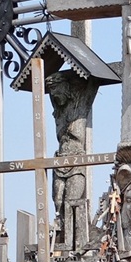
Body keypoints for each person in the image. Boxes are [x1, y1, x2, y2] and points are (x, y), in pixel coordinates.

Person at [46, 71, 99, 248]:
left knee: (72, 202)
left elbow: (93, 84)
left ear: (66, 87)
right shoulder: (58, 113)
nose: (53, 95)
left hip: (76, 162)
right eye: (51, 91)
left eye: (56, 89)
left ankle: (74, 241)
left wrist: (87, 72)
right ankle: (61, 236)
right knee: (58, 202)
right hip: (60, 160)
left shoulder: (79, 106)